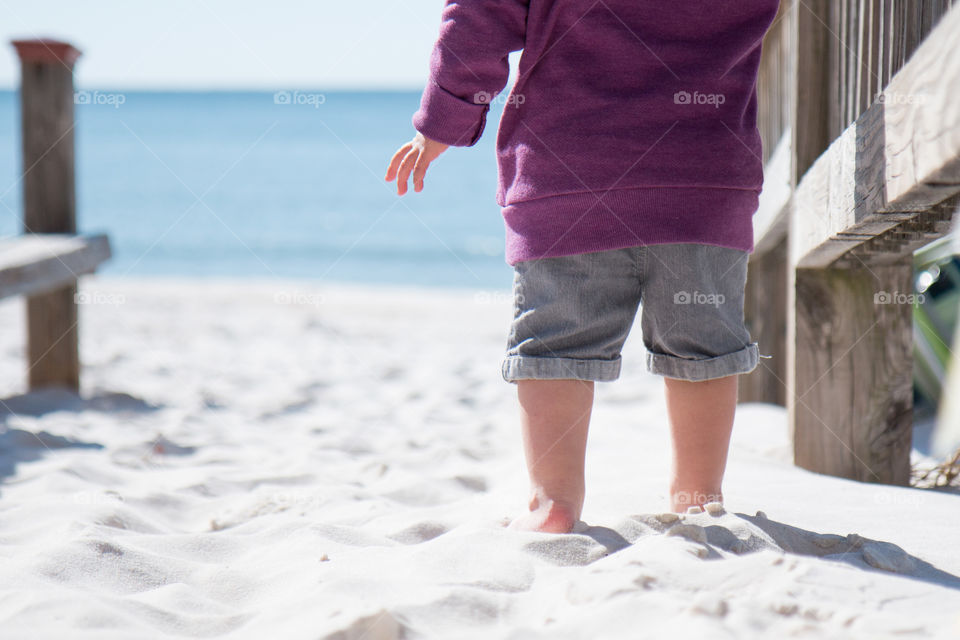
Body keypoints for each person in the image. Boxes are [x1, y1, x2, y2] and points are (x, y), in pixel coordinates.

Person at [385, 0, 780, 533]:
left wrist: (443, 120)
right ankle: (699, 497)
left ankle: (554, 503)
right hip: (704, 173)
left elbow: (479, 18)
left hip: (568, 171)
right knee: (703, 342)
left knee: (557, 344)